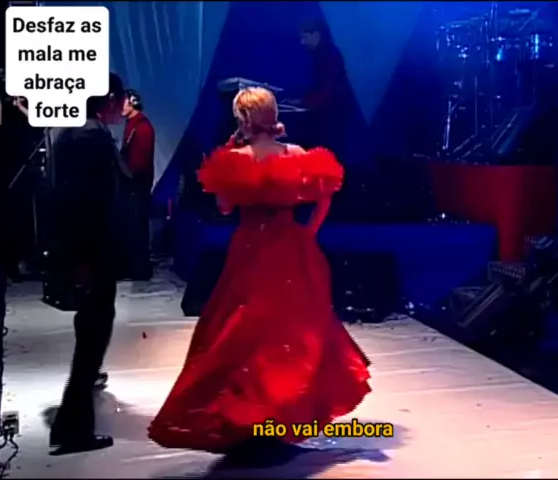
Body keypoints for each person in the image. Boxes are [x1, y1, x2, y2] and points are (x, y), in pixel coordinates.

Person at [148, 87, 371, 461]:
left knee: (243, 330)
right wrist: (309, 232)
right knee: (293, 331)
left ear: (242, 119)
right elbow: (326, 193)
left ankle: (250, 418)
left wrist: (231, 151)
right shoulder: (296, 154)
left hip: (252, 247)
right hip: (292, 247)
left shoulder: (234, 159)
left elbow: (223, 207)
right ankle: (278, 416)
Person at [48, 72, 130, 456]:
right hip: (92, 251)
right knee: (92, 337)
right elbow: (86, 204)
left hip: (86, 249)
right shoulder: (90, 137)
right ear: (109, 98)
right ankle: (72, 428)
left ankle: (71, 424)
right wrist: (84, 258)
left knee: (91, 335)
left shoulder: (74, 132)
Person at [287, 21, 352, 154]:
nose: (302, 42)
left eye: (305, 37)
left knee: (330, 148)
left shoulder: (329, 56)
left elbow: (328, 87)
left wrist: (305, 102)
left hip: (333, 112)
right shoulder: (322, 54)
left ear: (316, 35)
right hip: (330, 109)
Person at [119, 89, 155, 280]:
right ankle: (133, 267)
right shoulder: (132, 125)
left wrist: (128, 177)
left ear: (133, 102)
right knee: (132, 226)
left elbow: (140, 162)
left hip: (137, 185)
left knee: (137, 227)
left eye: (123, 102)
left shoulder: (142, 127)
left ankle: (139, 269)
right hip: (132, 184)